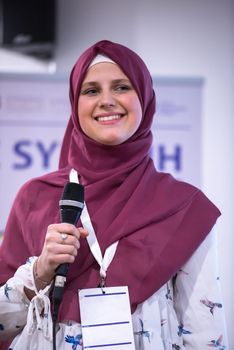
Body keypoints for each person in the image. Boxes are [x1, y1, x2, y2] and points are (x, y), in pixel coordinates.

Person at [0, 39, 228, 350]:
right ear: (74, 104)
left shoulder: (184, 208)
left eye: (121, 87)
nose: (107, 100)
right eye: (91, 90)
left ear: (145, 99)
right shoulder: (35, 198)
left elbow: (206, 337)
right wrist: (39, 271)